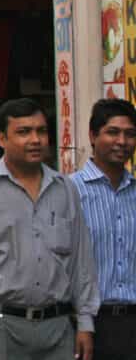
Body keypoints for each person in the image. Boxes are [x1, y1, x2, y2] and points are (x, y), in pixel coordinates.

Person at [0, 98, 99, 360]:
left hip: (57, 327)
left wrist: (85, 322)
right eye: (23, 132)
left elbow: (80, 261)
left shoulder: (66, 190)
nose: (35, 139)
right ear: (1, 139)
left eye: (41, 131)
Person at [71, 98, 136, 360]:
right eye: (112, 132)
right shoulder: (69, 191)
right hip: (87, 324)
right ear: (92, 136)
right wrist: (80, 322)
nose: (122, 141)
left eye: (130, 134)